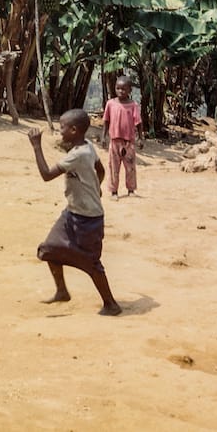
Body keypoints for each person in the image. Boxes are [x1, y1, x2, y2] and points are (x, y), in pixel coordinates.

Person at [28, 109, 122, 316]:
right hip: (72, 212)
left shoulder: (77, 155)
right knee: (49, 249)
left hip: (88, 219)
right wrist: (96, 187)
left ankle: (111, 304)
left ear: (74, 130)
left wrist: (36, 147)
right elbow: (100, 169)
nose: (60, 131)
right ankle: (62, 291)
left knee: (91, 263)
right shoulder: (88, 147)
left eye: (62, 127)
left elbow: (46, 175)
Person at [102, 76, 143, 198]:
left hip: (128, 142)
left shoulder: (133, 105)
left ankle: (131, 190)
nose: (120, 91)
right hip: (114, 140)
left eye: (124, 89)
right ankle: (114, 191)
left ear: (130, 90)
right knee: (113, 167)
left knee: (130, 166)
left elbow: (139, 122)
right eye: (118, 88)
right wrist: (103, 136)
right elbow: (106, 120)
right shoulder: (110, 104)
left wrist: (140, 138)